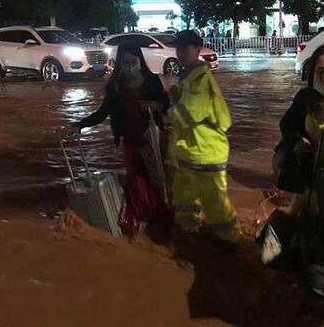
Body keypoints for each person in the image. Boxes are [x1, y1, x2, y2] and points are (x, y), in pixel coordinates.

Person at [273, 44, 324, 295]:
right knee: (300, 226)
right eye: (320, 72)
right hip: (306, 179)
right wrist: (298, 140)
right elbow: (287, 125)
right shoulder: (305, 98)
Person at [74, 43, 171, 235]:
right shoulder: (116, 86)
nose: (129, 66)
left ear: (140, 61)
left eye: (133, 61)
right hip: (130, 141)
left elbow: (165, 103)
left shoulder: (152, 81)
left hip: (151, 139)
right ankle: (142, 220)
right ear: (120, 64)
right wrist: (80, 124)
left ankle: (160, 218)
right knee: (136, 181)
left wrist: (155, 105)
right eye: (125, 62)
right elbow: (103, 112)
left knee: (157, 178)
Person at [169, 29, 239, 243]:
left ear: (198, 49)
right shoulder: (190, 76)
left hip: (206, 151)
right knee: (184, 197)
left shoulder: (200, 79)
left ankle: (230, 243)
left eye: (185, 47)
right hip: (191, 151)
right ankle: (188, 234)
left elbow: (187, 114)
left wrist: (167, 108)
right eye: (178, 47)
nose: (180, 52)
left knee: (215, 202)